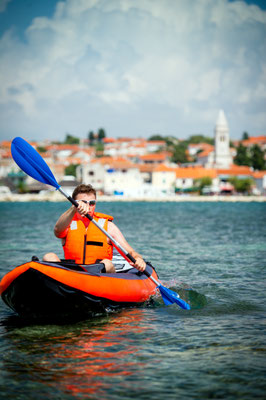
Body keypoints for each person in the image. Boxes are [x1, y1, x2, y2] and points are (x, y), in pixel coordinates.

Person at [43, 184, 146, 273]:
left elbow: (130, 252)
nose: (88, 206)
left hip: (99, 273)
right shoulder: (67, 223)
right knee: (49, 256)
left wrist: (138, 259)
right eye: (83, 202)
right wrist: (74, 208)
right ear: (75, 203)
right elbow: (57, 231)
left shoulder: (108, 227)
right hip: (73, 271)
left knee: (107, 263)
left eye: (92, 203)